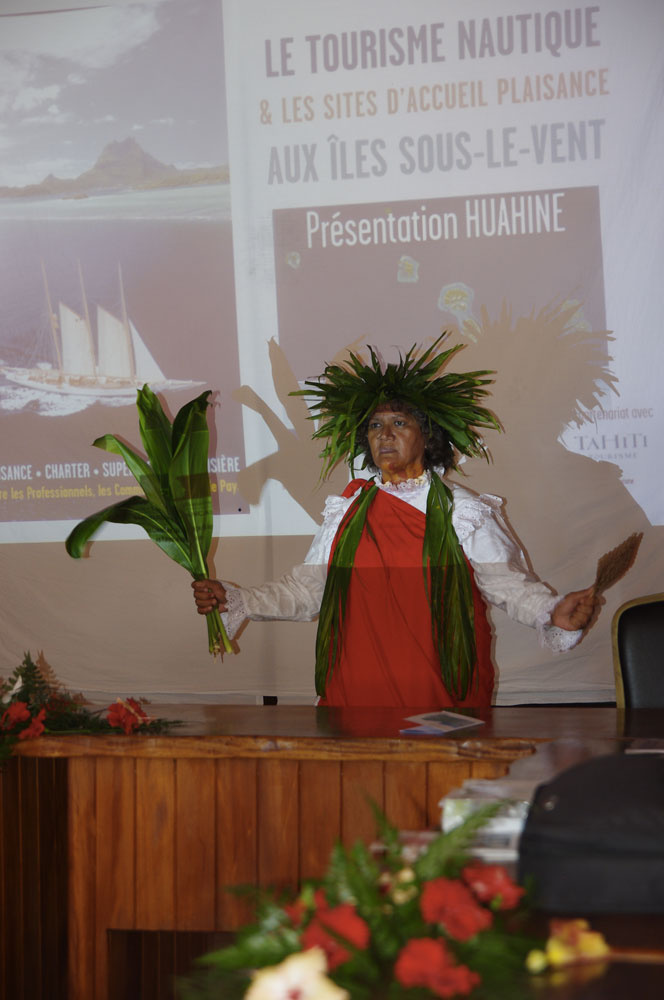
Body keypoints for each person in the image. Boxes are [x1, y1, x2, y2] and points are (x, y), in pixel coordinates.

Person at [193, 337, 597, 708]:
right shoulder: (346, 511)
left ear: (427, 436)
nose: (385, 434)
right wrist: (238, 600)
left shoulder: (462, 510)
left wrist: (551, 612)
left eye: (399, 423)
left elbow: (509, 586)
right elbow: (307, 591)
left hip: (438, 695)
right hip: (353, 692)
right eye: (375, 425)